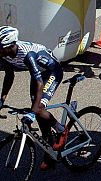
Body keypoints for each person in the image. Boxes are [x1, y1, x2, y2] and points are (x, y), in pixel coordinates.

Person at [0, 27, 67, 170]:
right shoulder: (5, 54)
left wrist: (33, 111)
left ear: (10, 45)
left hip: (52, 72)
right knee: (36, 111)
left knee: (38, 108)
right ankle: (50, 151)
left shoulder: (27, 55)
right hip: (38, 76)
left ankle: (61, 130)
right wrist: (2, 100)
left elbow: (39, 83)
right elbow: (9, 76)